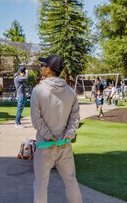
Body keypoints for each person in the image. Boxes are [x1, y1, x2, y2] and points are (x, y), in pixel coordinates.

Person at [31, 54, 82, 203]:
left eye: (43, 65)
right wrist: (68, 135)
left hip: (45, 144)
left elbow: (36, 119)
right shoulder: (70, 92)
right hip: (64, 144)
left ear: (48, 70)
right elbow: (75, 117)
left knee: (40, 183)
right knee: (71, 181)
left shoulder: (38, 91)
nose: (41, 68)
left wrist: (48, 136)